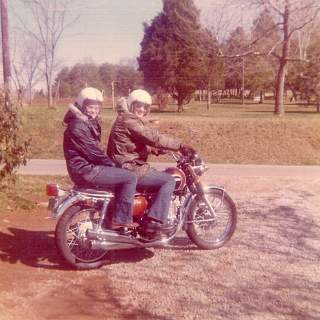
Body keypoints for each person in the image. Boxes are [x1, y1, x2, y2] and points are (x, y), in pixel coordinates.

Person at [107, 89, 194, 233]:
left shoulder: (127, 119)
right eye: (138, 105)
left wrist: (155, 150)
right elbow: (153, 138)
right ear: (131, 105)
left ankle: (144, 216)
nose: (141, 109)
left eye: (145, 107)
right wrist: (180, 145)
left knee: (158, 179)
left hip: (125, 164)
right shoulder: (129, 120)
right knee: (169, 180)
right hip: (130, 167)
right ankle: (154, 221)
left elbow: (130, 145)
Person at [63, 87, 138, 229]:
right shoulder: (78, 126)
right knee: (130, 177)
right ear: (81, 105)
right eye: (90, 107)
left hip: (85, 168)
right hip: (85, 170)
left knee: (119, 179)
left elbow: (94, 151)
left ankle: (110, 218)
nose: (94, 110)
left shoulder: (85, 122)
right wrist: (113, 164)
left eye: (97, 107)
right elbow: (94, 152)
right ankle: (121, 220)